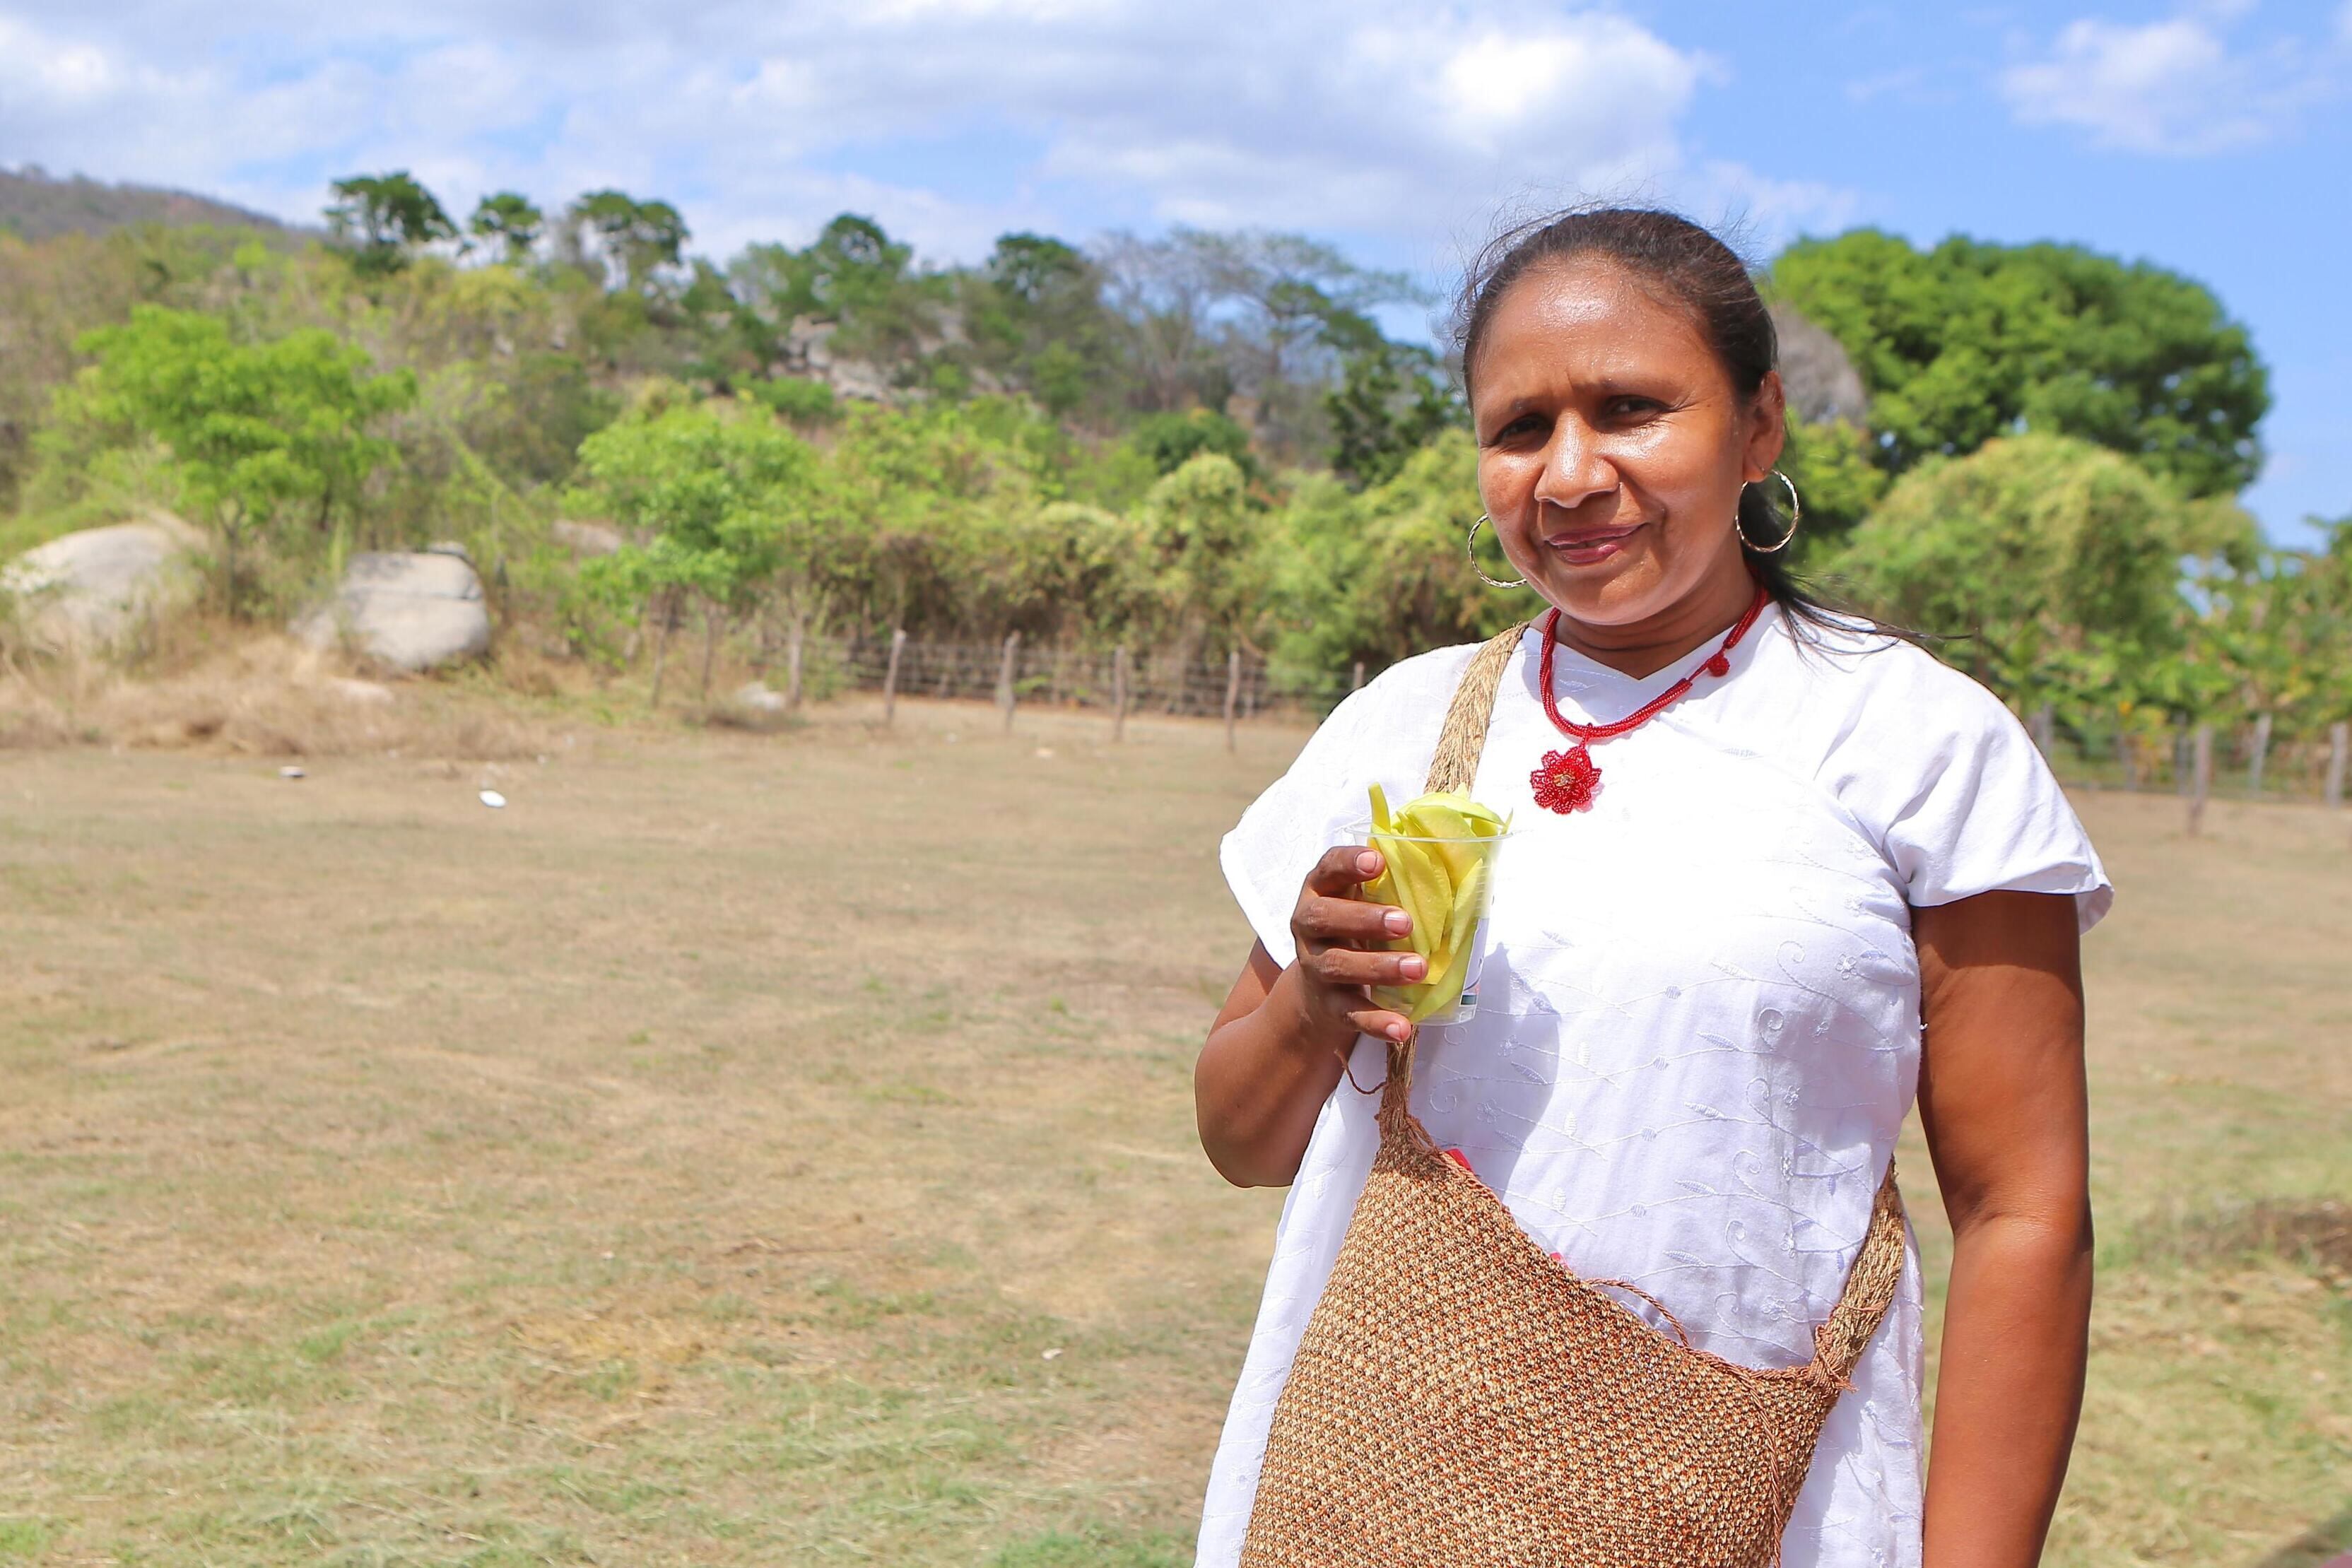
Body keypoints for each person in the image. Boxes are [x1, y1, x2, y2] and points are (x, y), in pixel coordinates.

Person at [1192, 208, 2107, 1568]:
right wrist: (1313, 1006)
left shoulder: (1916, 742)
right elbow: (1242, 1142)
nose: (1570, 475)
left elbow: (2024, 1212)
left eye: (1630, 409)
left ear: (1759, 426)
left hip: (1748, 1498)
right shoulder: (1405, 724)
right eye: (1520, 429)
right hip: (1377, 1479)